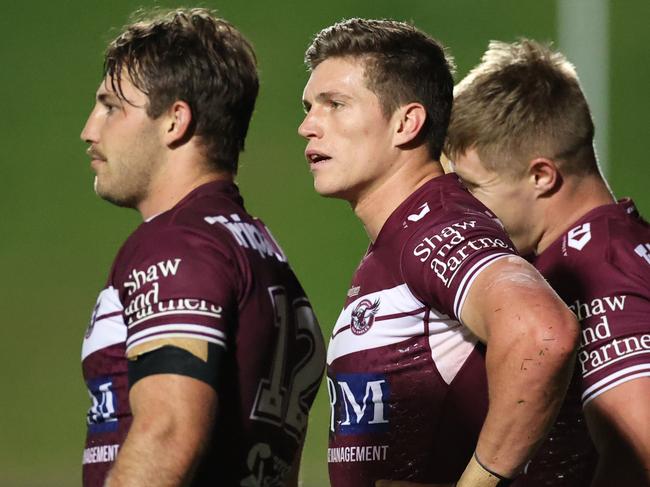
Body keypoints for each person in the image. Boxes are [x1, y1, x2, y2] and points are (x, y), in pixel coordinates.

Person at [298, 19, 579, 487]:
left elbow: (542, 331)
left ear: (406, 123)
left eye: (335, 105)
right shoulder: (402, 238)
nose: (308, 126)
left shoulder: (436, 228)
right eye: (308, 107)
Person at [79, 8, 325, 487]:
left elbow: (168, 431)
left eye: (112, 107)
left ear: (175, 120)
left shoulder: (174, 244)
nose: (90, 129)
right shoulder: (267, 258)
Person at [445, 39, 650, 486]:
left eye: (472, 187)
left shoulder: (600, 270)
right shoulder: (613, 245)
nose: (461, 208)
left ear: (541, 176)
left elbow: (642, 447)